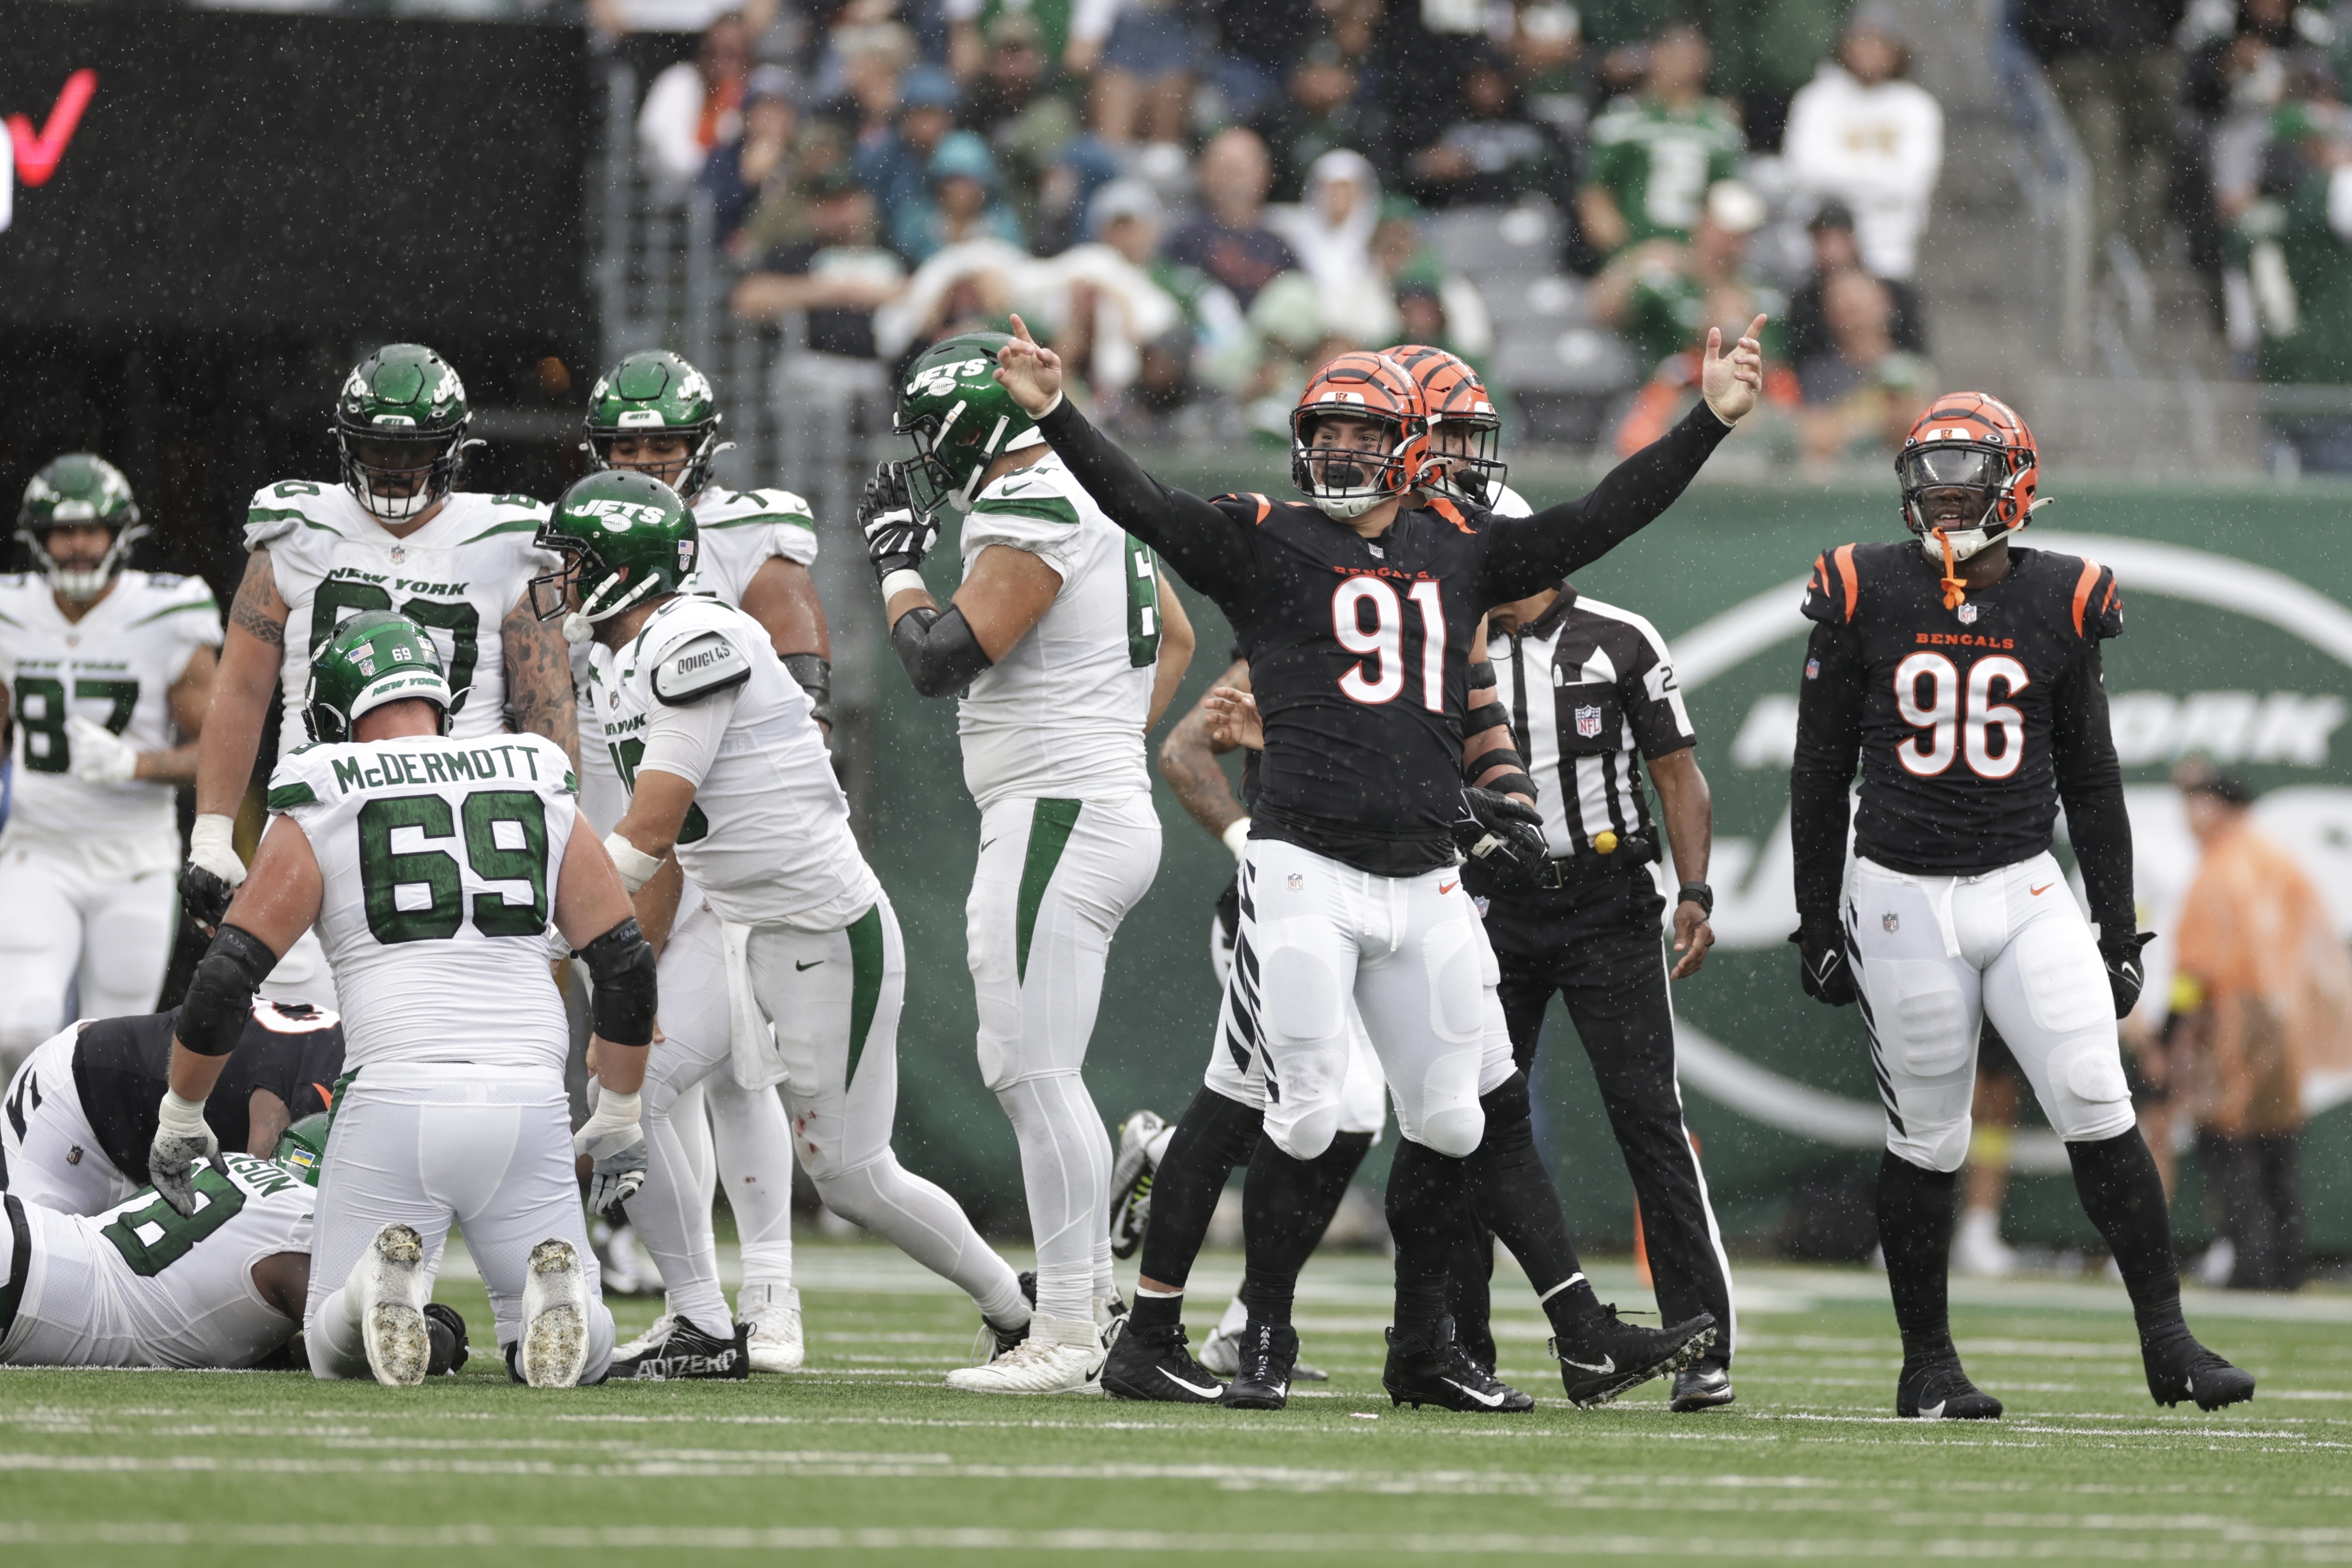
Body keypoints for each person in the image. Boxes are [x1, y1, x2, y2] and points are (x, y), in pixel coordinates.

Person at [992, 319, 1761, 1411]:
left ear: (1404, 450)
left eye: (1363, 435)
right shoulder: (1267, 538)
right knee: (1311, 1114)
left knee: (1464, 1111)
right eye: (1327, 433)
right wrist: (1054, 413)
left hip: (1425, 881)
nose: (1341, 454)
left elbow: (1601, 514)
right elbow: (1146, 505)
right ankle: (1235, 1315)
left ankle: (1580, 1333)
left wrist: (1710, 420)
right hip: (1304, 869)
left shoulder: (1457, 547)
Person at [1787, 391, 2254, 1418]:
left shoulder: (2063, 598)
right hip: (1903, 889)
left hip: (2023, 881)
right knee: (1930, 1135)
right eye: (1932, 472)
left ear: (2016, 483)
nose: (1947, 494)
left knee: (2096, 1092)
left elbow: (2092, 773)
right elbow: (1817, 769)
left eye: (1968, 472)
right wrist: (1816, 917)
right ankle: (1927, 1366)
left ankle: (2167, 1341)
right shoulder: (1862, 584)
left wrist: (2117, 921)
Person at [537, 470, 1030, 1381]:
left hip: (822, 931)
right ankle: (698, 1321)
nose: (560, 580)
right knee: (622, 1102)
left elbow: (650, 827)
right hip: (740, 922)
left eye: (575, 563)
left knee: (851, 1178)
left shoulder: (696, 637)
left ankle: (1016, 1307)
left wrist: (547, 936)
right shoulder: (617, 657)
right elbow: (672, 849)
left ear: (620, 570)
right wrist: (623, 973)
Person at [153, 611, 654, 1388]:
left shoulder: (325, 791)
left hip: (395, 1098)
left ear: (330, 710)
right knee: (566, 1357)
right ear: (440, 697)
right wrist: (619, 1108)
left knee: (329, 1345)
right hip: (527, 1100)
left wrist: (181, 1114)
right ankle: (567, 1300)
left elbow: (226, 976)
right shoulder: (532, 772)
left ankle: (369, 1292)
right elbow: (622, 962)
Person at [858, 330, 1197, 1393]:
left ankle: (1061, 1330)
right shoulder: (1087, 495)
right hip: (1087, 800)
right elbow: (1177, 636)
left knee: (1028, 1070)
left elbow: (936, 657)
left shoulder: (1034, 497)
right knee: (1044, 1071)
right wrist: (1106, 742)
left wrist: (892, 563)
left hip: (1057, 809)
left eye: (931, 428)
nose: (923, 451)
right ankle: (1085, 1306)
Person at [179, 345, 578, 1018]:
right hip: (316, 813)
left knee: (439, 1040)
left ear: (454, 445)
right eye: (377, 448)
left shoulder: (511, 537)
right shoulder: (297, 525)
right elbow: (241, 688)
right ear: (345, 442)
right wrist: (213, 832)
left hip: (455, 832)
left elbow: (546, 707)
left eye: (413, 450)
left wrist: (564, 847)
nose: (394, 468)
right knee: (294, 1052)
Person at [575, 348, 833, 1371]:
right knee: (646, 1074)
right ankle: (699, 1301)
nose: (642, 461)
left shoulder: (747, 526)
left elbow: (800, 662)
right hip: (621, 817)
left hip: (709, 832)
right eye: (626, 446)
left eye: (660, 446)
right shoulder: (582, 535)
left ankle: (765, 1295)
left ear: (699, 450)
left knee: (723, 1071)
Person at [1461, 562, 1737, 1413]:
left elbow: (1676, 772)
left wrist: (1692, 891)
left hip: (1605, 899)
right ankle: (1457, 1343)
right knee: (1460, 1120)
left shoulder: (1617, 638)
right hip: (1489, 902)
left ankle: (1699, 1340)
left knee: (1648, 1118)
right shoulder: (1449, 639)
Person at [0, 455, 219, 1069]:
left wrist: (137, 765)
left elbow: (223, 751)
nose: (76, 545)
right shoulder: (11, 612)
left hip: (135, 860)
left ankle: (96, 1167)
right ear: (36, 538)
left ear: (119, 532)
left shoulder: (166, 612)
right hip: (36, 850)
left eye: (90, 529)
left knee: (114, 1049)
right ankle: (18, 1159)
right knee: (19, 1031)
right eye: (61, 531)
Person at [0, 1122, 473, 1374]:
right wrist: (440, 1332)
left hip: (33, 1239)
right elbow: (373, 1344)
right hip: (38, 1288)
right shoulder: (303, 1231)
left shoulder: (244, 1169)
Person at [2171, 766, 2352, 1289]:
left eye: (2197, 802)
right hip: (2282, 1018)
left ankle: (2252, 1262)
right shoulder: (2279, 863)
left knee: (2230, 1141)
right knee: (2276, 1144)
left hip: (2234, 1018)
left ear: (2219, 806)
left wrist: (2175, 1029)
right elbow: (2317, 950)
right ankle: (2286, 1263)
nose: (2189, 815)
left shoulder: (2222, 868)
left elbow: (2198, 966)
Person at [1, 999, 342, 1216]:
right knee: (24, 1279)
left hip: (152, 1147)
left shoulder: (342, 1052)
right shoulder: (316, 1080)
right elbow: (260, 1212)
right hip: (77, 1101)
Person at [1782, 7, 1943, 283]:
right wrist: (1880, 180)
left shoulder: (1917, 107)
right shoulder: (1815, 101)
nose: (1869, 50)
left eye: (1880, 41)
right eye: (1861, 40)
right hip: (1818, 253)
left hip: (1891, 252)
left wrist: (1840, 177)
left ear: (1897, 50)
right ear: (1844, 46)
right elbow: (1804, 173)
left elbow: (1911, 183)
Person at [1579, 19, 1746, 256]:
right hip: (1632, 259)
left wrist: (1701, 259)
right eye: (1676, 54)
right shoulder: (1624, 117)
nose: (1685, 65)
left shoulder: (1720, 124)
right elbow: (1596, 195)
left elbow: (1729, 200)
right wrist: (1628, 253)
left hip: (1696, 264)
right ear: (1655, 55)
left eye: (1692, 56)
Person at [731, 170, 909, 360]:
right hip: (813, 366)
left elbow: (925, 292)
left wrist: (872, 293)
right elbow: (747, 298)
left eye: (846, 203)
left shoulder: (891, 254)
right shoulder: (798, 255)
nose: (840, 214)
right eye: (829, 204)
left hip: (882, 368)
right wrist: (828, 292)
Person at [1266, 149, 1401, 350]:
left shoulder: (1380, 240)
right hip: (1303, 343)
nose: (1339, 198)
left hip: (1359, 343)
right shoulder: (1289, 230)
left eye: (1348, 190)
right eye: (1331, 190)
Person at [1782, 201, 1930, 370]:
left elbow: (1916, 351)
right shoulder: (1804, 302)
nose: (1829, 250)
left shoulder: (1899, 294)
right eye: (1821, 240)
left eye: (1835, 239)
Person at [1165, 129, 1303, 308]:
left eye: (1242, 170)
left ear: (1266, 176)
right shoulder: (1185, 240)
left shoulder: (1279, 247)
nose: (1233, 180)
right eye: (1225, 169)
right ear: (1203, 173)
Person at [638, 13, 756, 189]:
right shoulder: (678, 83)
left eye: (730, 55)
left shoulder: (760, 92)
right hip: (680, 201)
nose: (719, 64)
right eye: (712, 53)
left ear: (748, 57)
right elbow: (667, 158)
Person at [893, 131, 1029, 264]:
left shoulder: (1004, 224)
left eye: (969, 182)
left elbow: (1016, 268)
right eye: (952, 181)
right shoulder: (916, 222)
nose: (960, 191)